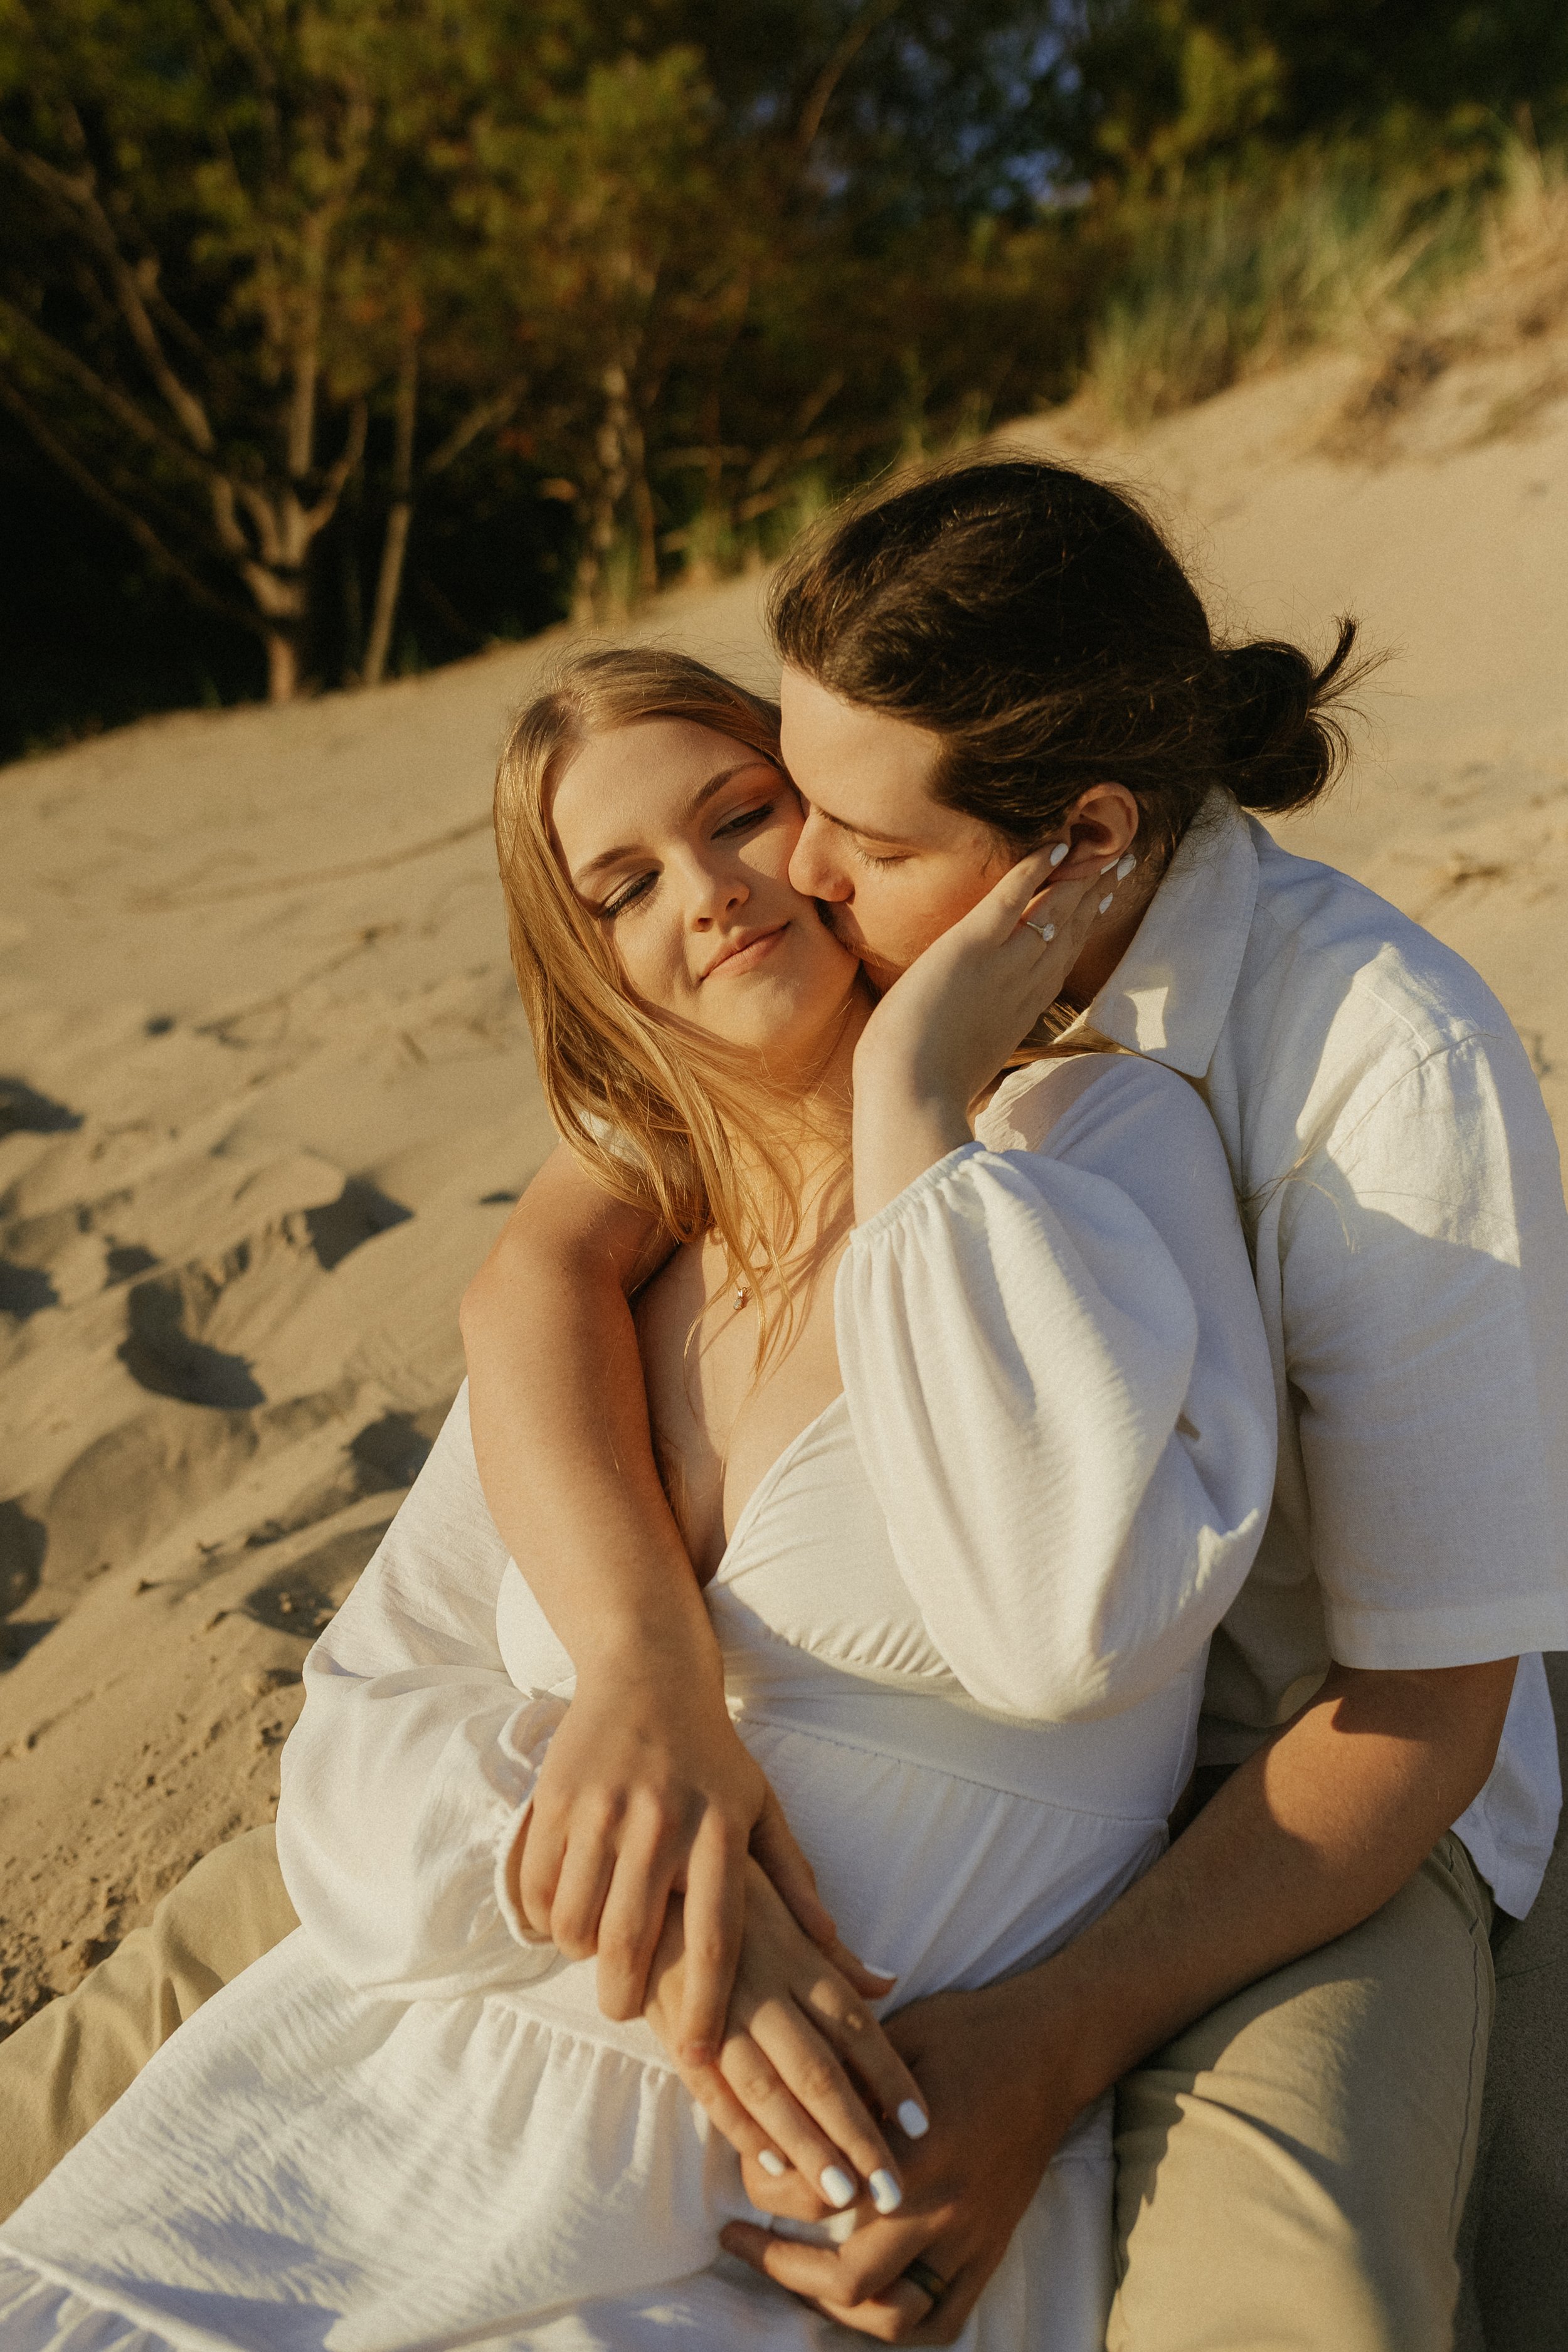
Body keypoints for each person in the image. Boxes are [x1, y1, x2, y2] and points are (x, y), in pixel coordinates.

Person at [3, 450, 1563, 2347]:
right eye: (772, 799)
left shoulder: (1360, 1073)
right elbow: (546, 1279)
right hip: (625, 1878)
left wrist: (1041, 2045)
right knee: (99, 2111)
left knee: (1300, 2302)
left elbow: (1413, 1711)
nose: (785, 880)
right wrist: (651, 1705)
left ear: (1076, 844)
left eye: (827, 831)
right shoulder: (748, 1090)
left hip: (1288, 1801)